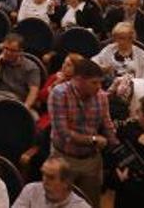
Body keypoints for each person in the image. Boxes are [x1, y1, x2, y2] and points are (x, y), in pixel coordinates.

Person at [47, 58, 116, 207]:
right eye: (94, 83)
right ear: (78, 80)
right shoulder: (59, 94)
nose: (99, 87)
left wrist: (117, 147)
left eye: (100, 82)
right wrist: (93, 140)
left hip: (91, 160)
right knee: (59, 203)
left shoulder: (102, 97)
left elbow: (107, 124)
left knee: (90, 203)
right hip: (63, 158)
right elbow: (64, 133)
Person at [0, 33, 42, 113]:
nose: (8, 53)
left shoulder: (31, 67)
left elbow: (33, 91)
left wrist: (25, 108)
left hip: (17, 101)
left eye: (12, 50)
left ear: (21, 51)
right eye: (6, 49)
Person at [10, 157, 90, 207]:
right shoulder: (31, 191)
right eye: (43, 174)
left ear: (66, 182)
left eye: (51, 177)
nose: (44, 181)